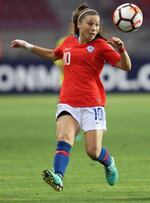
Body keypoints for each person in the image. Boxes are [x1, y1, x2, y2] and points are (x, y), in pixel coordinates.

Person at [11, 4, 131, 192]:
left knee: (93, 152)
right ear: (79, 24)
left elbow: (126, 67)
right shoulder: (67, 42)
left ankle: (109, 163)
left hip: (93, 105)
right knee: (64, 137)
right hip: (68, 103)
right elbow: (53, 55)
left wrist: (122, 50)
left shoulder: (101, 46)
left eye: (97, 25)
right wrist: (27, 46)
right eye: (90, 24)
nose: (94, 28)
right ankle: (58, 177)